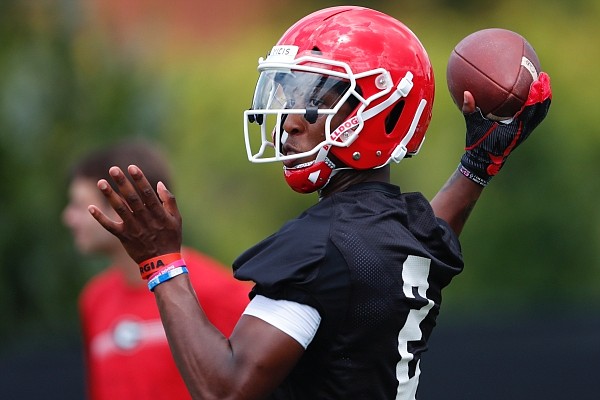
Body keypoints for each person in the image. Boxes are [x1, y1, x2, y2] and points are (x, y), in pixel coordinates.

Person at [87, 6, 552, 400]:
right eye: (287, 96)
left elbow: (227, 387)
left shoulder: (319, 249)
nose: (289, 121)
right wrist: (478, 164)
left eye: (316, 100)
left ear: (383, 110)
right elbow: (434, 233)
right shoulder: (402, 229)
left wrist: (160, 261)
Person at [62, 139, 251, 400]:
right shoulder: (94, 299)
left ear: (123, 207)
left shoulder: (221, 292)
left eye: (79, 205)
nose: (68, 218)